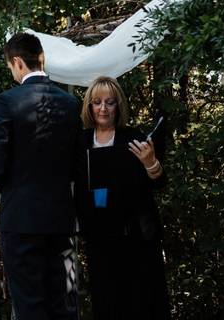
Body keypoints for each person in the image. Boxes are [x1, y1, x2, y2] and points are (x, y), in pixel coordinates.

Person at [0, 32, 84, 320]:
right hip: (63, 222)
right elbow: (79, 166)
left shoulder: (7, 101)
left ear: (17, 63)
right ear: (41, 58)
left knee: (30, 305)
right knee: (66, 302)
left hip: (21, 220)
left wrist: (5, 184)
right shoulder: (69, 103)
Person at [77, 76, 170, 320]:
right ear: (89, 106)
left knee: (139, 303)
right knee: (107, 303)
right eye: (97, 102)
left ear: (119, 106)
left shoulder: (134, 139)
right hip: (99, 240)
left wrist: (150, 163)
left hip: (135, 240)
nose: (103, 108)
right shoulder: (81, 143)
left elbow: (159, 183)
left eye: (110, 102)